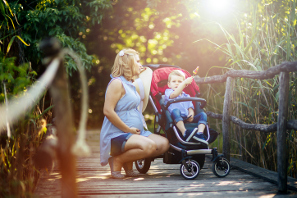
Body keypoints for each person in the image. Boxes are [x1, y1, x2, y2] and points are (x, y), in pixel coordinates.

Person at [100, 48, 169, 179]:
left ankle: (127, 161)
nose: (140, 64)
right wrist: (128, 129)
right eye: (137, 61)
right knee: (149, 146)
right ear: (128, 64)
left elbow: (143, 87)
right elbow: (107, 111)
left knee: (163, 144)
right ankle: (118, 161)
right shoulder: (117, 83)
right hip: (118, 133)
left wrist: (140, 74)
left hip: (135, 132)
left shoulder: (130, 83)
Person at [164, 70, 207, 142]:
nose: (177, 83)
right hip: (175, 118)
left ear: (185, 85)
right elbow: (174, 95)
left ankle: (200, 133)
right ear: (169, 84)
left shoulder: (186, 96)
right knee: (175, 111)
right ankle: (185, 133)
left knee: (203, 114)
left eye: (179, 81)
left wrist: (191, 115)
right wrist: (183, 83)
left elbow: (190, 108)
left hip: (187, 118)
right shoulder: (169, 92)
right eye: (174, 81)